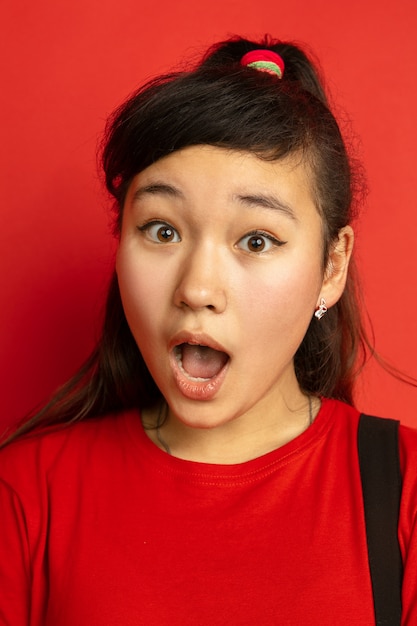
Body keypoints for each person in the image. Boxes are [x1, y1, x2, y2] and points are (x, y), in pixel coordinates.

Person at [0, 36, 416, 626]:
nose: (196, 288)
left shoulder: (405, 495)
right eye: (162, 231)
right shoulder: (24, 496)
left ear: (332, 267)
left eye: (257, 240)